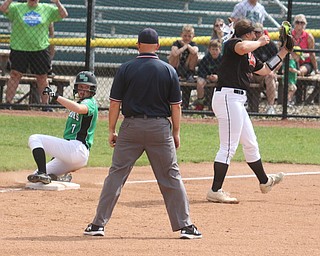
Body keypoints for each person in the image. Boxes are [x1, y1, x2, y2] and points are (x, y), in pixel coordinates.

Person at [84, 28, 202, 239]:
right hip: (159, 128)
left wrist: (112, 130)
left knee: (116, 175)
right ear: (157, 47)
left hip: (130, 128)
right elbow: (176, 107)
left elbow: (114, 104)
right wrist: (176, 132)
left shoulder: (126, 68)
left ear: (138, 45)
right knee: (170, 176)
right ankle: (186, 226)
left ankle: (97, 225)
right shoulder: (168, 70)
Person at [206, 19, 287, 204]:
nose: (257, 35)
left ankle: (265, 181)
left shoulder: (249, 54)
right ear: (247, 33)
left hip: (237, 100)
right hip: (227, 97)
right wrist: (260, 43)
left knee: (250, 143)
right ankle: (215, 190)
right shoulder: (233, 43)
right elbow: (242, 47)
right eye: (254, 33)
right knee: (228, 147)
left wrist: (284, 51)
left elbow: (265, 69)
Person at [27, 71, 98, 184]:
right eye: (80, 87)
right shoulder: (81, 102)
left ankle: (42, 172)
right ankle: (58, 178)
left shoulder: (90, 102)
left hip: (77, 148)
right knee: (35, 177)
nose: (82, 90)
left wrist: (55, 96)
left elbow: (79, 109)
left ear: (92, 89)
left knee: (35, 138)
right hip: (72, 153)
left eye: (86, 87)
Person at [0, 0, 68, 108]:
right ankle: (7, 103)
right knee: (15, 75)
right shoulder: (17, 7)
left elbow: (64, 14)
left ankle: (45, 105)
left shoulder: (46, 8)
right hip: (19, 47)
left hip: (39, 48)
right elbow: (3, 9)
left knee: (42, 77)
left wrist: (57, 2)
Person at [250, 22, 279, 114]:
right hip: (251, 73)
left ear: (263, 33)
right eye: (254, 32)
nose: (257, 35)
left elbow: (278, 60)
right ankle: (243, 102)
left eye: (259, 32)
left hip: (264, 73)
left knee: (270, 76)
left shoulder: (270, 45)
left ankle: (270, 107)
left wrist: (272, 70)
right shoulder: (249, 44)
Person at [168, 25, 199, 109]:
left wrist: (187, 45)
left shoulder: (193, 44)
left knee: (194, 54)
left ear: (193, 36)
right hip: (177, 66)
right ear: (181, 35)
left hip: (187, 67)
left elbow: (194, 51)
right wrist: (184, 47)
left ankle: (190, 74)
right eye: (185, 36)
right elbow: (174, 53)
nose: (187, 38)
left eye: (189, 36)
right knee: (174, 54)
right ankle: (175, 73)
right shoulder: (177, 43)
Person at [194, 39, 222, 110]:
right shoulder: (206, 58)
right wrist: (207, 76)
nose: (214, 51)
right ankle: (200, 103)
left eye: (216, 49)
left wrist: (218, 76)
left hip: (219, 78)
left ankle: (218, 105)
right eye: (212, 49)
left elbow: (226, 72)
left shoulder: (222, 59)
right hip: (206, 77)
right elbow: (200, 71)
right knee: (199, 83)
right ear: (209, 50)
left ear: (220, 50)